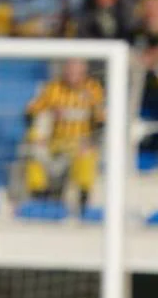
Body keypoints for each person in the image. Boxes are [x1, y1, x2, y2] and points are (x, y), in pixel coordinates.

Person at [23, 58, 104, 210]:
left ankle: (82, 200)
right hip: (55, 140)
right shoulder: (53, 88)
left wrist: (91, 141)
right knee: (34, 153)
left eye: (76, 70)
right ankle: (37, 197)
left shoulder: (93, 90)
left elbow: (100, 122)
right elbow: (30, 114)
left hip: (80, 141)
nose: (72, 74)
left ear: (83, 72)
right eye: (69, 69)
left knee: (86, 156)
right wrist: (49, 113)